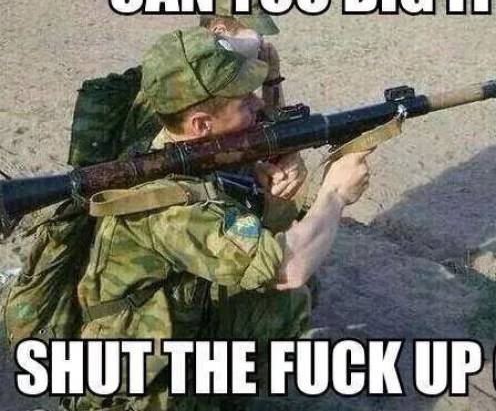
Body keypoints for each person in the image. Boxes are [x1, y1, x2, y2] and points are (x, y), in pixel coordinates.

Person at [66, 27, 371, 411]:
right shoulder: (167, 204)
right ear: (201, 124)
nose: (257, 106)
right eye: (244, 101)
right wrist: (336, 193)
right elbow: (287, 268)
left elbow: (190, 52)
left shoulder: (174, 145)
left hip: (177, 318)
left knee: (287, 301)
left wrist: (268, 188)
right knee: (292, 283)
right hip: (137, 383)